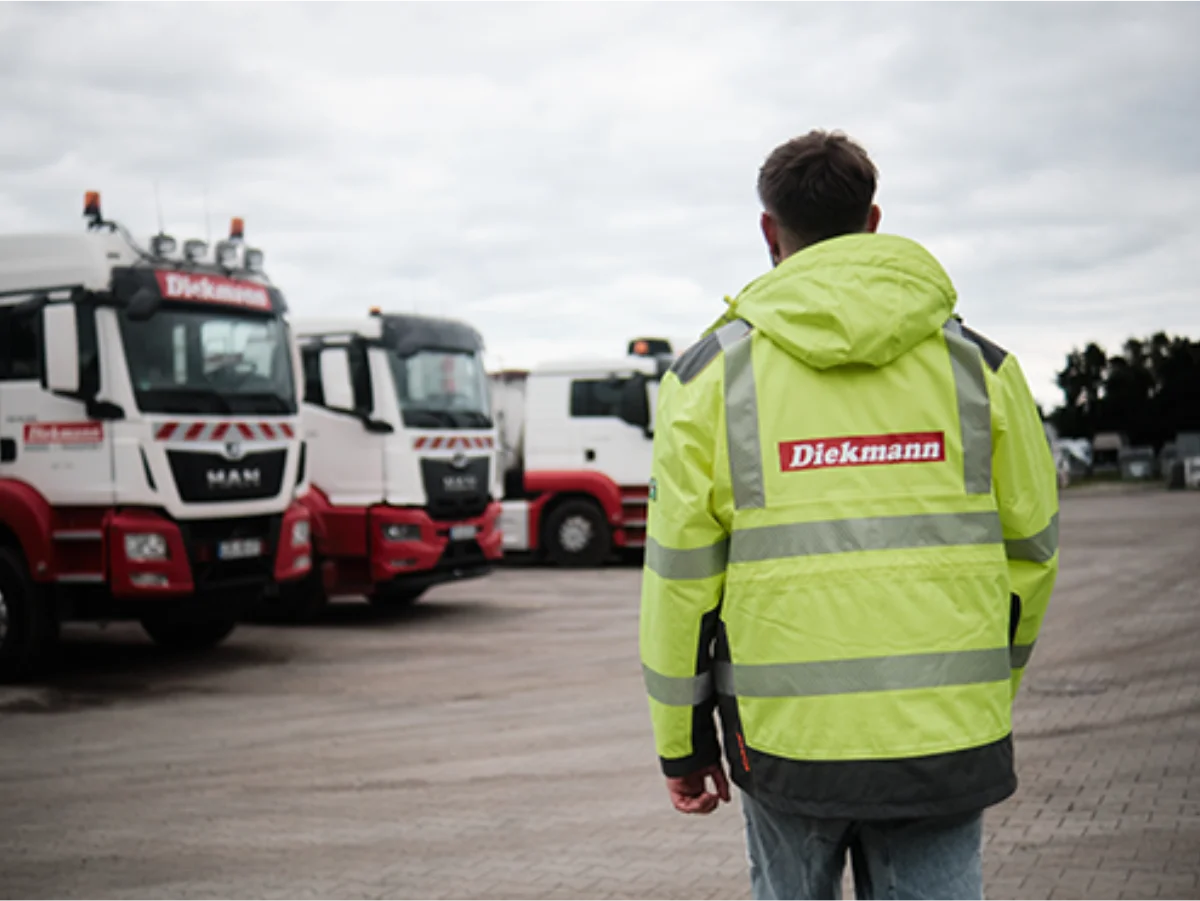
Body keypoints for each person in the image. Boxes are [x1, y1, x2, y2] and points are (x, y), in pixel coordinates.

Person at [639, 130, 1059, 900]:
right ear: (872, 221)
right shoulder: (984, 371)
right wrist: (981, 694)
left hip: (785, 744)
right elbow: (1031, 557)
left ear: (770, 230)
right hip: (945, 736)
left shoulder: (710, 378)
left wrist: (682, 744)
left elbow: (678, 580)